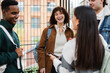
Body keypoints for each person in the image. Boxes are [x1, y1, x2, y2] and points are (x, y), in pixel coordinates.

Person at [49, 6, 108, 73]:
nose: (71, 19)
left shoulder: (71, 45)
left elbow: (64, 71)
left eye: (73, 17)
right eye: (56, 14)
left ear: (78, 21)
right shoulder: (101, 40)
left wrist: (55, 60)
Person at [37, 6, 73, 73]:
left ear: (65, 15)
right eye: (56, 14)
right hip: (51, 63)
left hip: (64, 64)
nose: (59, 16)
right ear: (54, 17)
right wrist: (42, 66)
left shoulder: (70, 31)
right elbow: (40, 48)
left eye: (61, 13)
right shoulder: (47, 30)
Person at [0, 0, 23, 73]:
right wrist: (15, 54)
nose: (17, 16)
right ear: (4, 12)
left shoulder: (14, 33)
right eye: (13, 13)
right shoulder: (0, 32)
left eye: (18, 13)